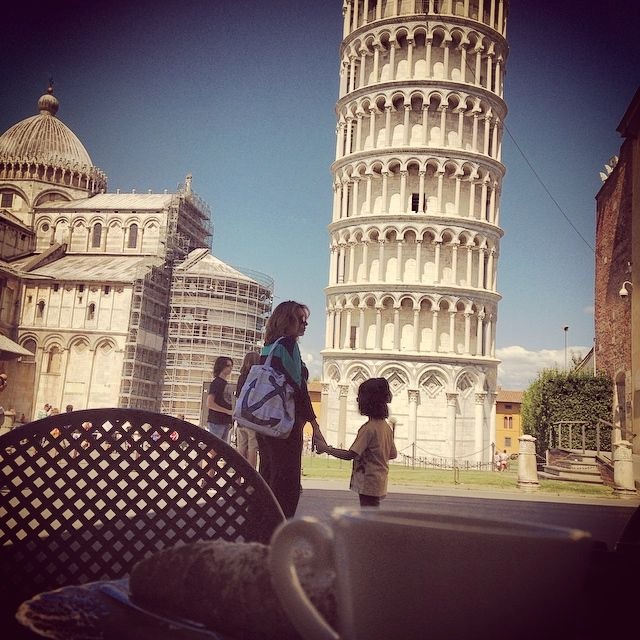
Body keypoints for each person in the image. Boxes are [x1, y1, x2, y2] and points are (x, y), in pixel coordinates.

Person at [256, 300, 327, 518]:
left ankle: (261, 528)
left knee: (268, 476)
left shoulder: (269, 346)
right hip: (284, 425)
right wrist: (315, 425)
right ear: (287, 321)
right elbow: (299, 389)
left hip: (264, 422)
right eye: (300, 320)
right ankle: (279, 531)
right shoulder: (288, 345)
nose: (305, 324)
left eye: (306, 320)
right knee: (287, 484)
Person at [316, 378, 397, 508]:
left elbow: (350, 454)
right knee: (372, 511)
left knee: (368, 515)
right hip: (380, 480)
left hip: (367, 480)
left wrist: (326, 449)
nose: (357, 400)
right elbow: (392, 454)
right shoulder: (386, 427)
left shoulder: (368, 429)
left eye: (360, 397)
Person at [234, 351, 261, 469]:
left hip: (241, 416)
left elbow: (238, 396)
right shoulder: (258, 377)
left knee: (241, 448)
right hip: (253, 417)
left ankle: (238, 479)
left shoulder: (241, 378)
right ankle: (251, 480)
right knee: (252, 448)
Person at [206, 356, 234, 442]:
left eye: (231, 366)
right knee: (215, 447)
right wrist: (227, 411)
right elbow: (209, 403)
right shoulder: (216, 383)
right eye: (228, 366)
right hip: (216, 421)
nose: (230, 368)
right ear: (221, 366)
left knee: (221, 448)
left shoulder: (223, 383)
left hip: (224, 420)